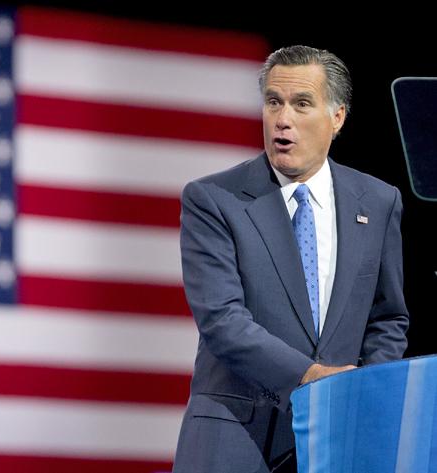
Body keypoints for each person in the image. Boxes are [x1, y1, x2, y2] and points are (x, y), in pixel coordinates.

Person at [172, 45, 409, 473]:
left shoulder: (378, 201)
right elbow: (222, 320)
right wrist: (310, 376)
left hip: (339, 439)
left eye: (302, 104)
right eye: (273, 102)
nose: (283, 119)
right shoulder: (213, 199)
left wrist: (366, 393)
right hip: (235, 439)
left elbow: (387, 318)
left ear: (337, 117)